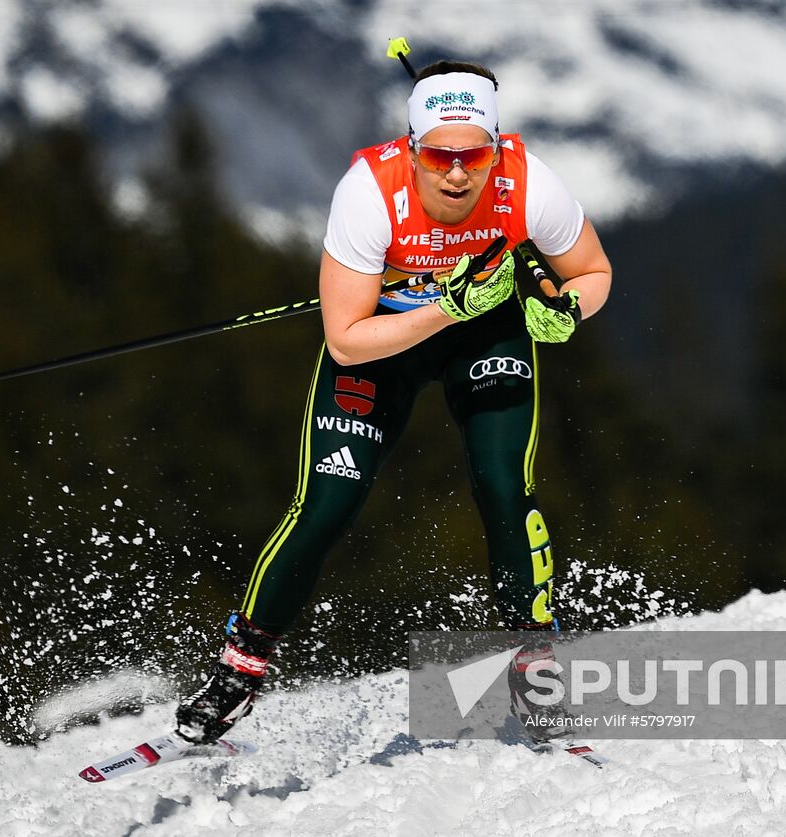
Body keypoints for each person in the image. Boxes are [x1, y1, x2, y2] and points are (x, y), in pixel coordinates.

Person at [175, 59, 613, 744]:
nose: (459, 173)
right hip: (385, 344)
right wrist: (445, 304)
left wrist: (569, 308)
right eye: (440, 155)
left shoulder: (529, 184)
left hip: (485, 332)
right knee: (325, 506)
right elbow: (346, 342)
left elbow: (592, 269)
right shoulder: (370, 194)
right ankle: (238, 669)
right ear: (412, 148)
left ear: (496, 147)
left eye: (475, 154)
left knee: (504, 489)